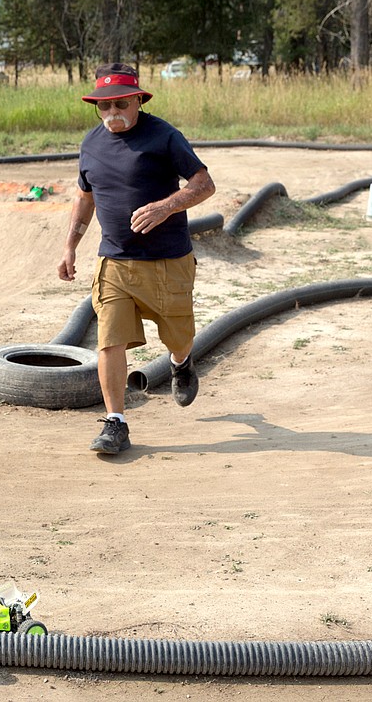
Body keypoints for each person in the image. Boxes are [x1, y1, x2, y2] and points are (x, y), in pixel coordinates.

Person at [56, 62, 216, 454]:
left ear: (138, 101)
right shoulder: (90, 144)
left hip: (167, 260)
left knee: (179, 336)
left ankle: (180, 362)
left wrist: (166, 206)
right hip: (114, 261)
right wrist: (71, 244)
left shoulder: (164, 136)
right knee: (108, 342)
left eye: (121, 105)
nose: (112, 114)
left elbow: (204, 184)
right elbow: (85, 196)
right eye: (104, 107)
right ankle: (116, 422)